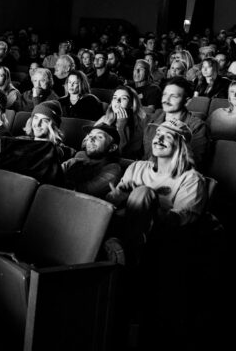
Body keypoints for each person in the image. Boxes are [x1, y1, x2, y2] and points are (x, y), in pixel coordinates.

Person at [107, 119, 207, 262]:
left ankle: (123, 249)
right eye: (158, 133)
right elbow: (113, 202)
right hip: (121, 223)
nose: (158, 139)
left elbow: (183, 220)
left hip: (159, 240)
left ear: (180, 145)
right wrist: (119, 196)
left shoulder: (192, 179)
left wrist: (149, 204)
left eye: (167, 136)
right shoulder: (137, 167)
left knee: (143, 193)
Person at [142, 77, 209, 167]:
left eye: (173, 96)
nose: (166, 100)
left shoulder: (198, 127)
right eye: (165, 95)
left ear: (187, 101)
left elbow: (192, 164)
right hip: (146, 173)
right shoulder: (152, 120)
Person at [59, 124, 122, 198]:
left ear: (112, 147)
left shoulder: (113, 168)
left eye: (99, 137)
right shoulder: (76, 159)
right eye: (90, 136)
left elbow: (84, 192)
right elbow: (53, 176)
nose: (91, 139)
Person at [95, 85, 148, 159]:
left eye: (124, 98)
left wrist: (121, 128)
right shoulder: (104, 119)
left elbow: (122, 154)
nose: (117, 101)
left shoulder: (138, 125)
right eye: (115, 98)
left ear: (132, 104)